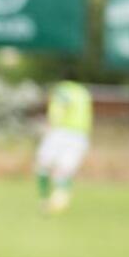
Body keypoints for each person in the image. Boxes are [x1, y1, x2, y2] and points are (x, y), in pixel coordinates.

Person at [35, 76, 93, 215]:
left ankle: (44, 198)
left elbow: (61, 106)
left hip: (61, 132)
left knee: (43, 165)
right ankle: (61, 199)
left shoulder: (62, 89)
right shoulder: (83, 92)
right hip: (81, 135)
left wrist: (49, 125)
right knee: (64, 170)